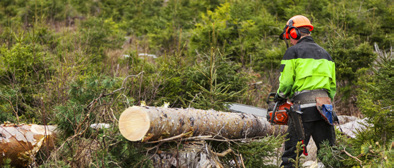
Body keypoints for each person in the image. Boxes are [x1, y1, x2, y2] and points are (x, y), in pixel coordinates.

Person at [275, 15, 336, 168]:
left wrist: (280, 95)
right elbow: (332, 87)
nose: (290, 40)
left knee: (291, 156)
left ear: (294, 33)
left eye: (290, 36)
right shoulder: (325, 54)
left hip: (302, 111)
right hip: (325, 109)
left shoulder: (293, 52)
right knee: (329, 155)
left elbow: (286, 82)